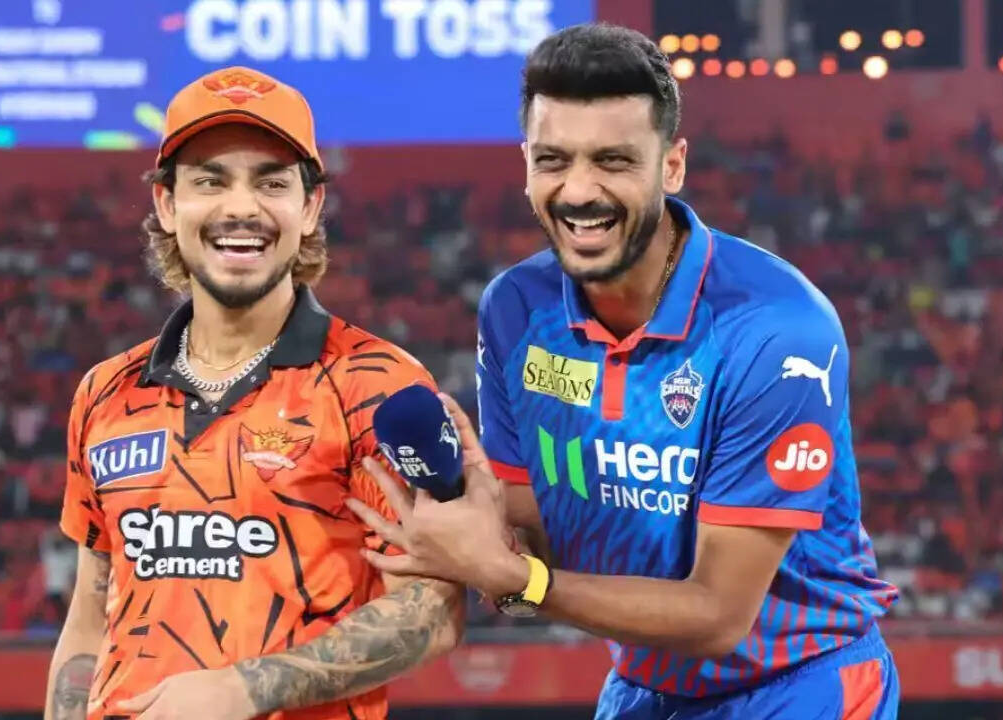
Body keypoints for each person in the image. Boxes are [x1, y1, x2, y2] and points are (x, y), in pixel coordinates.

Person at [347, 23, 901, 719]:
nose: (580, 190)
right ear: (525, 164)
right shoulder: (515, 309)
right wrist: (469, 529)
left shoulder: (776, 330)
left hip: (799, 685)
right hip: (642, 687)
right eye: (553, 160)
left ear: (672, 166)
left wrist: (516, 578)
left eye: (613, 161)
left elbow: (718, 616)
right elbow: (531, 536)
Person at [45, 66, 462, 720]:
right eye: (210, 181)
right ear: (166, 204)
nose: (241, 208)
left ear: (310, 207)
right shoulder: (105, 393)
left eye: (271, 183)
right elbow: (89, 617)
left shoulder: (376, 384)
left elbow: (431, 610)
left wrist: (243, 689)